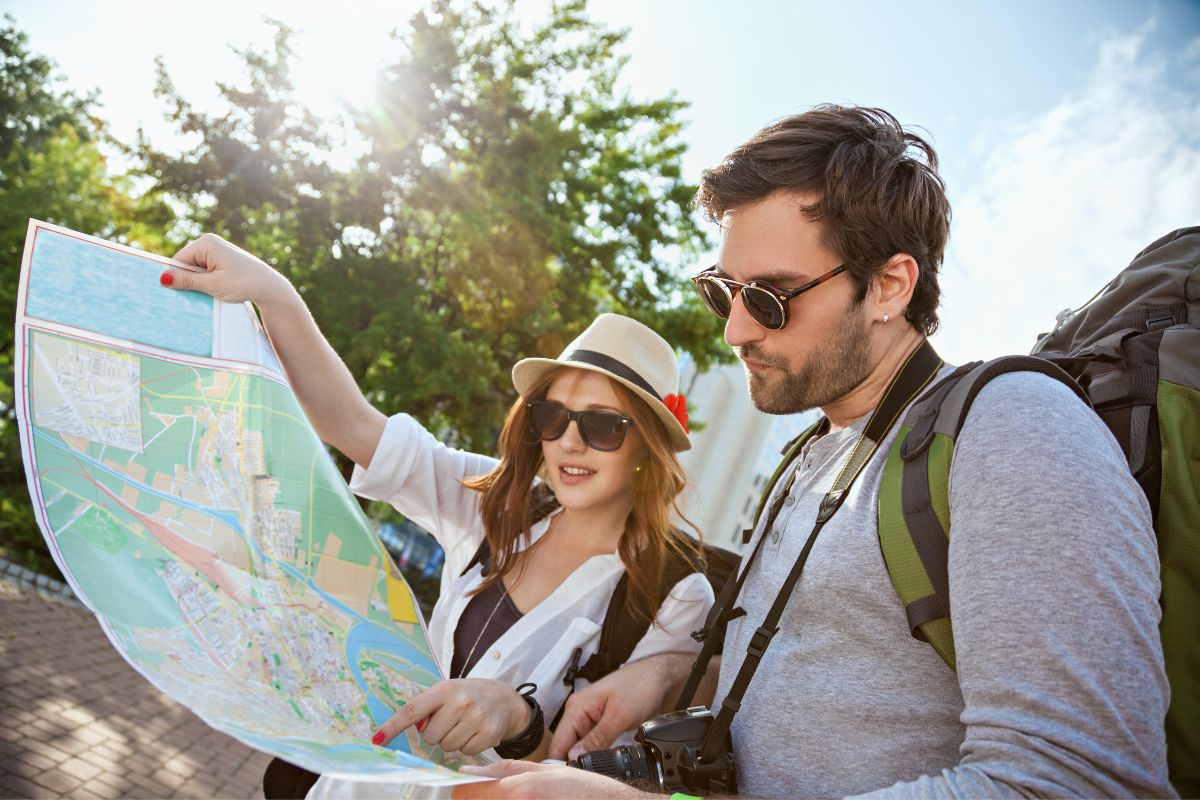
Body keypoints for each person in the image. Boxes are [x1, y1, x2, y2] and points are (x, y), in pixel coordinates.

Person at [454, 105, 1174, 798]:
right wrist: (672, 675)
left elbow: (1076, 783)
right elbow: (818, 687)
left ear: (890, 285)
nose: (735, 331)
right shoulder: (810, 455)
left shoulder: (1013, 432)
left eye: (769, 297)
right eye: (722, 291)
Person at [161, 242, 716, 795]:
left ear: (647, 445)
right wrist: (273, 293)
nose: (569, 442)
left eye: (602, 426)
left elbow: (605, 777)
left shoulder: (675, 594)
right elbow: (352, 423)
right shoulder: (496, 501)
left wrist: (518, 720)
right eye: (552, 416)